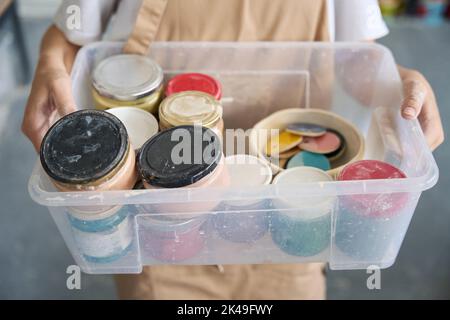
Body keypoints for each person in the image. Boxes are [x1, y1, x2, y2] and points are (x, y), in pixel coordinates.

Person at [22, 0, 444, 299]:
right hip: (159, 225)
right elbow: (71, 34)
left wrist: (399, 82)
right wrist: (50, 63)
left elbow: (358, 56)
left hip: (289, 214)